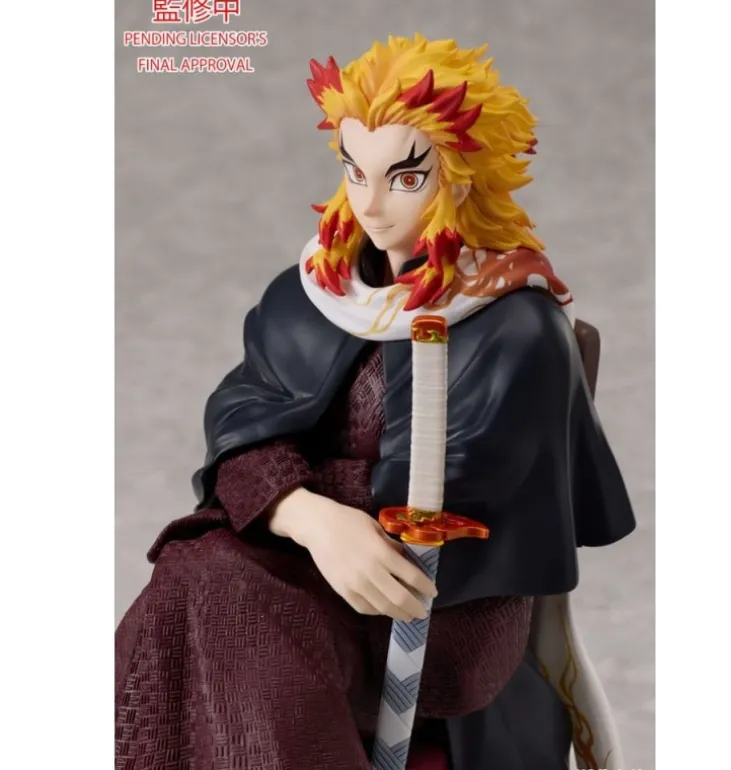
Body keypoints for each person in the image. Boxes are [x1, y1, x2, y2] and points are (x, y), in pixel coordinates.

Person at [115, 34, 636, 770]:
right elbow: (239, 420)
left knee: (219, 586)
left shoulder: (516, 327)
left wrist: (297, 490)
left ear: (462, 176)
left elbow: (447, 493)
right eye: (355, 171)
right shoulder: (313, 294)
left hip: (433, 602)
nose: (372, 202)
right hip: (301, 559)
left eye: (405, 177)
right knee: (196, 577)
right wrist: (307, 516)